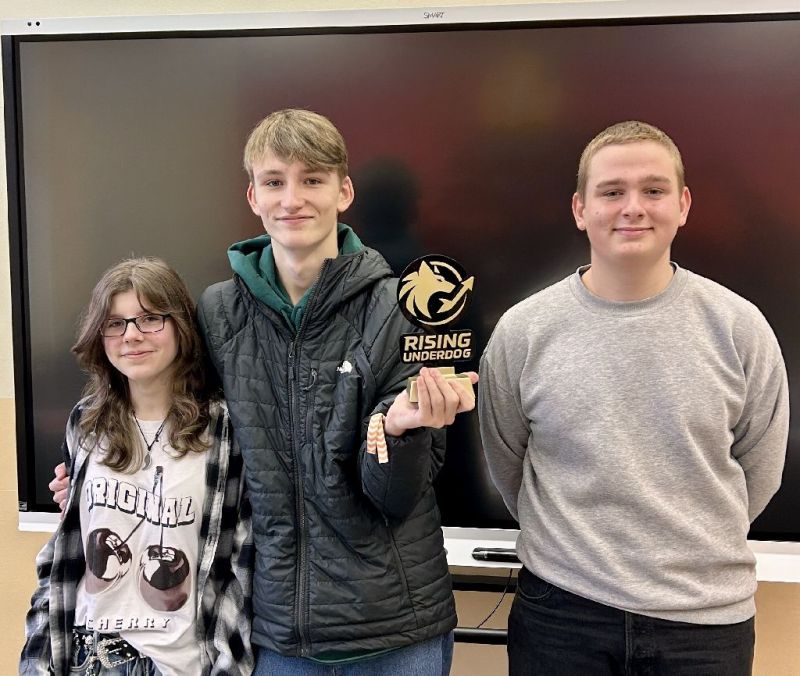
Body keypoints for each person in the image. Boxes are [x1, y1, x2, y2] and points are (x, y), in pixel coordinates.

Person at [479, 120, 789, 675]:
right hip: (560, 617)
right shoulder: (522, 332)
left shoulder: (740, 328)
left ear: (683, 204)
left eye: (653, 190)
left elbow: (760, 470)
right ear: (580, 209)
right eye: (612, 192)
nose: (633, 208)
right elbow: (507, 463)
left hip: (704, 626)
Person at [198, 109, 477, 674]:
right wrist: (99, 469)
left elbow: (396, 497)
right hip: (277, 634)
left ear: (344, 192)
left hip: (398, 633)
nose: (292, 199)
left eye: (312, 179)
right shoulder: (218, 311)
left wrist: (399, 431)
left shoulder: (401, 308)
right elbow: (187, 432)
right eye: (274, 182)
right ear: (253, 196)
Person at [24, 258, 253, 675]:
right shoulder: (86, 423)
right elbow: (62, 556)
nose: (131, 335)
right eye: (115, 323)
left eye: (150, 318)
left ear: (181, 327)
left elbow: (239, 563)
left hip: (176, 664)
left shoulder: (223, 429)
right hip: (87, 658)